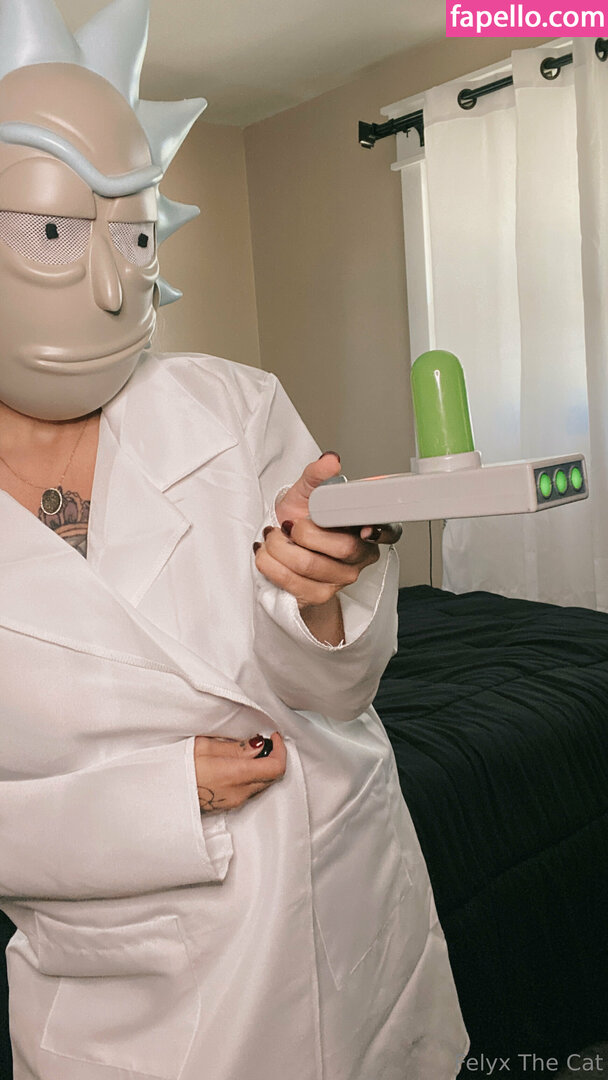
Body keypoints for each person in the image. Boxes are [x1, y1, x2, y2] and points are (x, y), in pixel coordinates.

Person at [0, 2, 470, 1078]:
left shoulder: (228, 405)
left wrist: (317, 597)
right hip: (132, 995)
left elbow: (336, 686)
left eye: (135, 237)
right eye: (53, 234)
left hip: (342, 904)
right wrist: (156, 805)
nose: (112, 284)